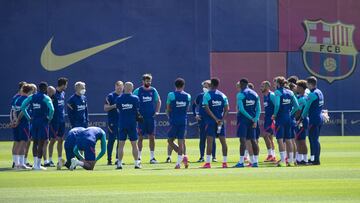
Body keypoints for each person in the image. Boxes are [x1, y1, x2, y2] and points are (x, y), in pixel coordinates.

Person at [21, 82, 54, 170]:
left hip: (34, 122)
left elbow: (23, 107)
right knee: (41, 143)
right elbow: (52, 109)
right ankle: (38, 165)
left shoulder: (31, 97)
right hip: (43, 122)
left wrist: (28, 118)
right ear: (46, 89)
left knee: (35, 142)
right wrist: (49, 118)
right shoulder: (46, 97)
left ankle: (35, 164)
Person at [201, 78, 229, 168]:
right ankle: (224, 163)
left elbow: (206, 107)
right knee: (223, 142)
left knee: (209, 141)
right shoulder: (223, 95)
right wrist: (221, 119)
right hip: (220, 122)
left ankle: (208, 163)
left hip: (210, 122)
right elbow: (227, 109)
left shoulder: (207, 95)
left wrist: (215, 119)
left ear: (211, 84)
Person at [133, 74, 161, 164]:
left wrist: (157, 111)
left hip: (151, 118)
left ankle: (152, 158)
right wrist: (136, 113)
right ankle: (139, 157)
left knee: (152, 137)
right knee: (140, 137)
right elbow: (132, 100)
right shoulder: (138, 91)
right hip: (141, 118)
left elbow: (158, 101)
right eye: (146, 81)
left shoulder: (153, 90)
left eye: (149, 81)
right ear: (143, 81)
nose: (148, 82)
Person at [272, 76, 299, 167]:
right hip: (288, 118)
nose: (274, 84)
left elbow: (277, 105)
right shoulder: (290, 92)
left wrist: (274, 114)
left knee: (280, 140)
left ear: (279, 83)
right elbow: (297, 106)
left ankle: (283, 161)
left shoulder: (277, 92)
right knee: (289, 140)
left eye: (275, 82)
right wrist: (290, 113)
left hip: (280, 118)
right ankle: (291, 161)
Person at [234, 79, 261, 168]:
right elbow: (259, 109)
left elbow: (241, 109)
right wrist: (255, 119)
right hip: (253, 120)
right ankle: (255, 162)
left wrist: (250, 118)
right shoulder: (255, 94)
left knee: (243, 140)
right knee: (253, 140)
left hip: (243, 120)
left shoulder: (240, 94)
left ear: (241, 84)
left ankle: (241, 162)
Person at [115, 82, 141, 169]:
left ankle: (119, 163)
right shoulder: (135, 98)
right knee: (134, 144)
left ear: (124, 88)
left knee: (121, 144)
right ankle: (136, 163)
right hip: (132, 124)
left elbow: (118, 109)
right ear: (132, 88)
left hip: (122, 123)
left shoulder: (119, 98)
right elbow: (137, 110)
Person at [166, 78, 191, 169]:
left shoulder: (171, 95)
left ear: (175, 85)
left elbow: (168, 108)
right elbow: (187, 108)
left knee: (170, 141)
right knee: (181, 142)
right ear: (183, 86)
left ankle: (182, 159)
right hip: (183, 121)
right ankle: (179, 162)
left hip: (174, 121)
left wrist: (170, 116)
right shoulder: (188, 96)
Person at [300, 76, 324, 165]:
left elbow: (306, 108)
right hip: (319, 117)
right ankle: (314, 158)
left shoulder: (312, 94)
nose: (307, 86)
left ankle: (316, 160)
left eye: (307, 84)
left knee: (313, 139)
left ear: (310, 84)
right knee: (315, 139)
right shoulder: (320, 92)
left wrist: (301, 117)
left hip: (314, 119)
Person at [192, 80, 217, 162]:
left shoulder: (213, 95)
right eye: (204, 86)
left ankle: (214, 157)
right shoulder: (200, 96)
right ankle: (202, 157)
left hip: (210, 120)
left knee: (212, 138)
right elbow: (194, 105)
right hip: (202, 120)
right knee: (202, 138)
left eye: (206, 86)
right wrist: (195, 115)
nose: (204, 88)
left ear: (210, 86)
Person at [47, 78, 68, 169]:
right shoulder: (53, 93)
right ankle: (50, 159)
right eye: (66, 85)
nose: (66, 87)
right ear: (63, 85)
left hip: (62, 120)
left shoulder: (63, 93)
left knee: (61, 140)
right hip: (54, 121)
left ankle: (59, 159)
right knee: (52, 140)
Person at [11, 84, 32, 169]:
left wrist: (15, 120)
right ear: (29, 91)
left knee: (17, 143)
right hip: (23, 123)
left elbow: (13, 111)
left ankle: (16, 163)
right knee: (23, 143)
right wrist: (18, 121)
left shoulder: (17, 99)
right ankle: (21, 163)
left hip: (17, 124)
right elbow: (23, 112)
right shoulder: (27, 100)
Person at [104, 81, 123, 165]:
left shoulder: (124, 96)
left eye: (121, 87)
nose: (119, 88)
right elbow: (105, 108)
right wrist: (114, 106)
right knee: (111, 140)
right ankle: (109, 159)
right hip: (112, 122)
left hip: (122, 122)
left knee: (120, 141)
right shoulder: (110, 96)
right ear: (115, 87)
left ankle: (117, 159)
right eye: (118, 86)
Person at [10, 81, 27, 168]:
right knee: (19, 142)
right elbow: (13, 111)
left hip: (18, 122)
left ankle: (17, 162)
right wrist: (14, 121)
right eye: (24, 87)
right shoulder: (16, 98)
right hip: (19, 123)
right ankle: (17, 162)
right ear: (21, 88)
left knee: (18, 142)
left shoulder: (20, 97)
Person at [260, 81, 276, 162]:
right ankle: (273, 156)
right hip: (267, 119)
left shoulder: (271, 95)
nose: (261, 87)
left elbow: (277, 105)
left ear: (267, 87)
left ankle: (271, 155)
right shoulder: (265, 96)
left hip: (271, 119)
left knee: (265, 135)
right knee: (270, 137)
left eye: (262, 86)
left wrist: (274, 117)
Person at [294, 80, 309, 165]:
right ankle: (300, 159)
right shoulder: (300, 97)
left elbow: (299, 111)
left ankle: (305, 159)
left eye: (298, 87)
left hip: (301, 121)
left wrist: (297, 120)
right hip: (300, 121)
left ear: (301, 88)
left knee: (302, 140)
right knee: (298, 140)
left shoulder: (303, 98)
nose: (296, 88)